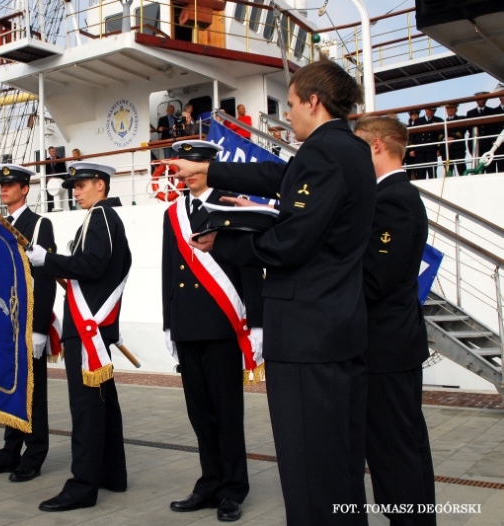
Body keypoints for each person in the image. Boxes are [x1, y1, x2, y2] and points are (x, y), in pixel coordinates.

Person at [162, 58, 375, 525]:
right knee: (338, 462)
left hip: (305, 336)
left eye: (292, 103)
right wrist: (209, 169)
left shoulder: (324, 152)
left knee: (308, 466)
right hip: (335, 327)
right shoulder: (350, 149)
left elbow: (292, 243)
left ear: (314, 102)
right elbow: (281, 179)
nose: (288, 114)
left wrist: (226, 241)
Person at [162, 140, 263, 523]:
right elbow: (169, 268)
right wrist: (169, 323)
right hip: (187, 324)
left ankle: (233, 488)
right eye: (182, 167)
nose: (184, 173)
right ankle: (209, 483)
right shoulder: (173, 213)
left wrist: (257, 323)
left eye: (191, 165)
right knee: (200, 414)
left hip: (223, 325)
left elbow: (249, 266)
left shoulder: (230, 205)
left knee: (227, 413)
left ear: (208, 166)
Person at [26, 161, 132, 512]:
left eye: (82, 185)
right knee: (103, 406)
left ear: (101, 185)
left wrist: (49, 260)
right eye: (74, 186)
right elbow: (100, 267)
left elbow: (93, 265)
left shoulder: (100, 217)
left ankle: (82, 487)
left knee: (86, 410)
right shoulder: (104, 219)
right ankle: (112, 474)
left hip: (87, 331)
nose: (76, 191)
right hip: (95, 329)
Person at [353, 116, 436, 526]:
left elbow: (375, 278)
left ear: (377, 146)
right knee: (405, 443)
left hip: (385, 347)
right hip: (394, 343)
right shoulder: (394, 196)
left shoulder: (393, 199)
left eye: (358, 149)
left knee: (392, 450)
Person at [0, 164, 57, 482]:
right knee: (10, 387)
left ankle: (34, 454)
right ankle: (9, 451)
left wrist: (39, 329)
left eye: (10, 185)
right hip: (3, 323)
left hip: (27, 323)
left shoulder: (39, 225)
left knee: (33, 391)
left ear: (25, 189)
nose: (4, 189)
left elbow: (45, 279)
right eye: (1, 185)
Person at [466, 92, 494, 173]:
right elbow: (469, 128)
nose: (482, 100)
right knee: (476, 166)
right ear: (476, 100)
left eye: (484, 98)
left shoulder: (491, 111)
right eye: (480, 99)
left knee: (490, 168)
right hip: (475, 144)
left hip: (488, 143)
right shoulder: (470, 113)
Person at [414, 107, 443, 179]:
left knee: (432, 173)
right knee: (420, 173)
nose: (430, 112)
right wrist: (412, 148)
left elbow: (441, 136)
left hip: (432, 150)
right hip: (420, 151)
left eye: (433, 111)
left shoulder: (439, 120)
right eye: (429, 110)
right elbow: (413, 136)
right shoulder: (418, 121)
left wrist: (439, 148)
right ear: (425, 110)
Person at [443, 103, 468, 176]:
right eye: (448, 109)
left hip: (458, 147)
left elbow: (462, 130)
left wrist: (453, 138)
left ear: (456, 110)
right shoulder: (443, 122)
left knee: (461, 169)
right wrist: (446, 139)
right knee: (448, 170)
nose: (450, 110)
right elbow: (441, 134)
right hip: (447, 149)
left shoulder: (461, 119)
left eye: (452, 108)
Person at [45, 146, 67, 212]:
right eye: (52, 151)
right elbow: (44, 171)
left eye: (55, 151)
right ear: (49, 152)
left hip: (58, 181)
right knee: (49, 196)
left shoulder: (60, 159)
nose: (54, 152)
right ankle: (50, 210)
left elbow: (64, 170)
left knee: (59, 195)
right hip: (49, 181)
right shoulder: (46, 160)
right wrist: (47, 178)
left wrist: (59, 178)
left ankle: (60, 208)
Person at [404, 109, 423, 180]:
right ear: (410, 116)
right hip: (409, 152)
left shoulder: (421, 126)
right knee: (410, 170)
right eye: (413, 115)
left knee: (419, 170)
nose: (415, 116)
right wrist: (410, 150)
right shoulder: (407, 127)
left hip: (418, 151)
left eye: (416, 115)